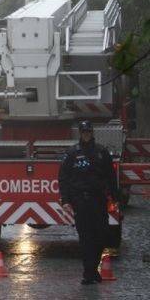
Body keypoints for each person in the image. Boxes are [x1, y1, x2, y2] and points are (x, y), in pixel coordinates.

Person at [58, 120, 119, 285]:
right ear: (80, 133)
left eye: (89, 132)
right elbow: (64, 178)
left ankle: (92, 270)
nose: (87, 134)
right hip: (81, 201)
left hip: (98, 200)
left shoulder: (101, 152)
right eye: (84, 132)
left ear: (92, 133)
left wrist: (115, 196)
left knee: (102, 236)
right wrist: (66, 200)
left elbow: (111, 177)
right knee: (86, 239)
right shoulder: (72, 153)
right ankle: (88, 273)